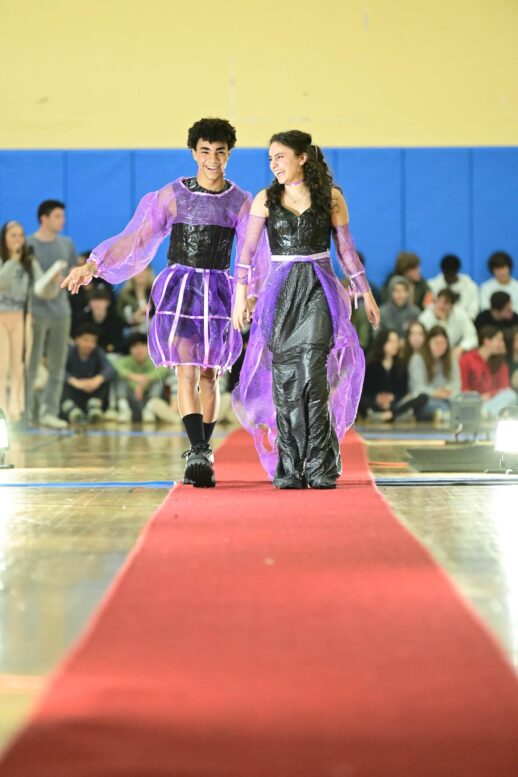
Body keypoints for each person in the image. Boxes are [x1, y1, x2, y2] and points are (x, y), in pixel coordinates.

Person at [62, 117, 251, 487]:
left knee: (211, 376)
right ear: (194, 152)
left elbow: (251, 253)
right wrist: (93, 264)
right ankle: (196, 450)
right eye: (205, 151)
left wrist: (252, 292)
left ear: (229, 154)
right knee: (185, 370)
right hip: (180, 291)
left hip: (218, 292)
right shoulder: (172, 194)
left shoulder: (240, 201)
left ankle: (204, 449)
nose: (212, 159)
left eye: (220, 152)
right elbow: (136, 237)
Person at [232, 130, 380, 488]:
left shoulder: (331, 198)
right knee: (285, 379)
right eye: (270, 159)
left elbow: (346, 252)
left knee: (313, 374)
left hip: (319, 287)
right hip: (279, 292)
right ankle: (291, 465)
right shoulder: (265, 200)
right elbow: (247, 255)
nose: (273, 164)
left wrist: (366, 293)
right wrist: (241, 296)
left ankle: (319, 464)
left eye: (280, 156)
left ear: (302, 158)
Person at [26, 200, 78, 429]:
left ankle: (49, 412)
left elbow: (73, 274)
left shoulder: (66, 244)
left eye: (62, 216)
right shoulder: (28, 244)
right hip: (35, 312)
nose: (62, 220)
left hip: (61, 312)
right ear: (44, 218)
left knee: (57, 365)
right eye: (57, 216)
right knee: (31, 364)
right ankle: (26, 413)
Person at [0, 221, 57, 425]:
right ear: (4, 238)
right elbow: (2, 284)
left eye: (20, 235)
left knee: (19, 364)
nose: (18, 240)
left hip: (22, 318)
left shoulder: (29, 262)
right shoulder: (5, 261)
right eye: (13, 235)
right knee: (2, 365)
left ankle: (15, 409)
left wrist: (52, 282)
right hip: (1, 318)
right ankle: (2, 408)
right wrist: (13, 261)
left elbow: (42, 290)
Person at [359, 329, 427, 422]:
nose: (395, 345)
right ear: (382, 343)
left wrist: (392, 398)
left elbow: (403, 391)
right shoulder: (371, 364)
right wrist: (378, 398)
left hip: (395, 404)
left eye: (396, 342)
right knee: (357, 399)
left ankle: (389, 415)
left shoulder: (401, 364)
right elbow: (365, 391)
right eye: (391, 342)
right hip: (375, 404)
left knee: (422, 397)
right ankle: (394, 415)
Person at [116, 333, 178, 424]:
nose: (139, 350)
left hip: (148, 398)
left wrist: (144, 380)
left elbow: (163, 370)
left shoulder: (155, 360)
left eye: (142, 346)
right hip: (131, 398)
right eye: (135, 346)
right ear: (130, 349)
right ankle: (124, 409)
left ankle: (150, 410)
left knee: (158, 381)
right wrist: (136, 379)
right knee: (120, 379)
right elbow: (117, 368)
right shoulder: (124, 361)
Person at [61, 323, 116, 423]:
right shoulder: (68, 352)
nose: (89, 344)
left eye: (93, 341)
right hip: (74, 392)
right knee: (61, 383)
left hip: (92, 392)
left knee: (105, 381)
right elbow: (59, 370)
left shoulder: (98, 352)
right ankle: (71, 410)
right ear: (77, 340)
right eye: (86, 340)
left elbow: (110, 369)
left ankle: (95, 407)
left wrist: (96, 380)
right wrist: (75, 382)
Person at [459, 326, 517, 418]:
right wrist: (480, 397)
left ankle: (485, 413)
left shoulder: (501, 363)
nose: (502, 344)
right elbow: (463, 387)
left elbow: (505, 388)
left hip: (493, 401)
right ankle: (485, 413)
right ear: (487, 341)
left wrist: (491, 394)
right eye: (499, 340)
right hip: (473, 400)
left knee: (511, 395)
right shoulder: (466, 359)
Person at [408, 325, 461, 421]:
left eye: (443, 343)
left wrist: (448, 391)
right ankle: (445, 415)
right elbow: (417, 389)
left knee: (464, 403)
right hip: (426, 401)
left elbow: (456, 384)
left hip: (448, 400)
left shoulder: (451, 359)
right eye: (436, 343)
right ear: (428, 343)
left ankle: (447, 415)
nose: (440, 346)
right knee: (439, 407)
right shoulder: (418, 359)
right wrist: (435, 393)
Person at [419, 288, 477, 356]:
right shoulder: (426, 316)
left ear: (452, 306)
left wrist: (461, 348)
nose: (441, 306)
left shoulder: (460, 314)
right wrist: (442, 321)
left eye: (446, 303)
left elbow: (472, 337)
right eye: (439, 301)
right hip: (430, 353)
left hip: (453, 353)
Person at [73, 286, 125, 354]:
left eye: (101, 300)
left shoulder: (116, 320)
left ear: (108, 302)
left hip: (109, 353)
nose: (97, 304)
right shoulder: (82, 319)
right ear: (89, 302)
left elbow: (118, 341)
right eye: (94, 300)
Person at [428, 254, 479, 320]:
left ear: (457, 271)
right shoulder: (431, 286)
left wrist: (458, 320)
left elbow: (473, 311)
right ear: (442, 271)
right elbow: (428, 306)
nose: (449, 278)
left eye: (452, 275)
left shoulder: (470, 286)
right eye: (447, 275)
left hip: (462, 323)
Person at [116, 267, 154, 337]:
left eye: (145, 270)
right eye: (138, 271)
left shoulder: (157, 293)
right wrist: (132, 320)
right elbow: (119, 318)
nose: (141, 274)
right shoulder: (124, 296)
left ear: (149, 273)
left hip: (153, 335)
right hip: (131, 335)